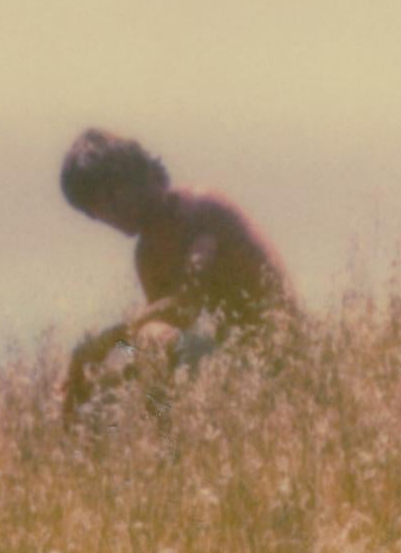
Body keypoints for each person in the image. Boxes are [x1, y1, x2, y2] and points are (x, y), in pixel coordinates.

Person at [57, 127, 292, 419]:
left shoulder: (200, 209)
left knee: (150, 340)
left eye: (113, 195)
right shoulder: (147, 254)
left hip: (281, 360)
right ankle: (143, 452)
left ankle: (168, 448)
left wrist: (101, 344)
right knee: (113, 367)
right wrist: (94, 365)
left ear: (136, 175)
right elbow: (157, 333)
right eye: (97, 208)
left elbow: (183, 309)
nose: (110, 213)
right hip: (235, 363)